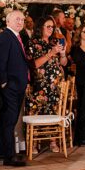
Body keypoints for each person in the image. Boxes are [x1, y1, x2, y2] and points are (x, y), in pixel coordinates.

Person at [0, 10, 30, 166]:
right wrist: (4, 83)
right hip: (10, 87)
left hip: (16, 86)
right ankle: (9, 156)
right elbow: (0, 62)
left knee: (8, 120)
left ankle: (2, 152)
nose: (20, 22)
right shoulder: (4, 37)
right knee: (9, 121)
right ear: (8, 21)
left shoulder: (16, 37)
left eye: (22, 19)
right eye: (17, 19)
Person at [28, 16, 67, 152]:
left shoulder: (54, 42)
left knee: (53, 111)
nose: (51, 29)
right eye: (48, 26)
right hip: (39, 85)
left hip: (54, 85)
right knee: (37, 111)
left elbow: (63, 63)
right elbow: (34, 64)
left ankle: (53, 141)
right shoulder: (33, 43)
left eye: (52, 27)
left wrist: (62, 54)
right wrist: (51, 53)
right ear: (40, 27)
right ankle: (33, 143)